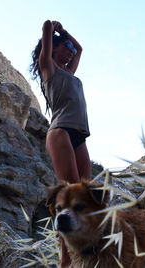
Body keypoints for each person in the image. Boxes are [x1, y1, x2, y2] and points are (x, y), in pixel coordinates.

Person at [30, 20, 92, 268]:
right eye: (64, 47)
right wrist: (52, 29)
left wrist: (66, 34)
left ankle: (82, 251)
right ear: (53, 49)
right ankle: (65, 259)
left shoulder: (69, 72)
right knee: (69, 195)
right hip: (60, 132)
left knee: (84, 197)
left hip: (80, 136)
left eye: (69, 48)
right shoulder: (48, 68)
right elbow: (46, 26)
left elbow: (81, 49)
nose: (70, 51)